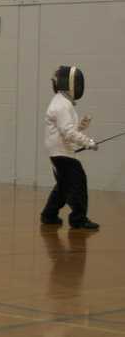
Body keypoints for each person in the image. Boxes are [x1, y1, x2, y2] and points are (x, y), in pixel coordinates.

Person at [41, 65, 99, 230]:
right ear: (69, 83)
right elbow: (67, 132)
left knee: (64, 185)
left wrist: (81, 126)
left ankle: (49, 215)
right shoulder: (62, 105)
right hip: (62, 153)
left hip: (59, 152)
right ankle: (78, 219)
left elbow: (67, 130)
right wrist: (88, 142)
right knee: (78, 184)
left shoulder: (62, 102)